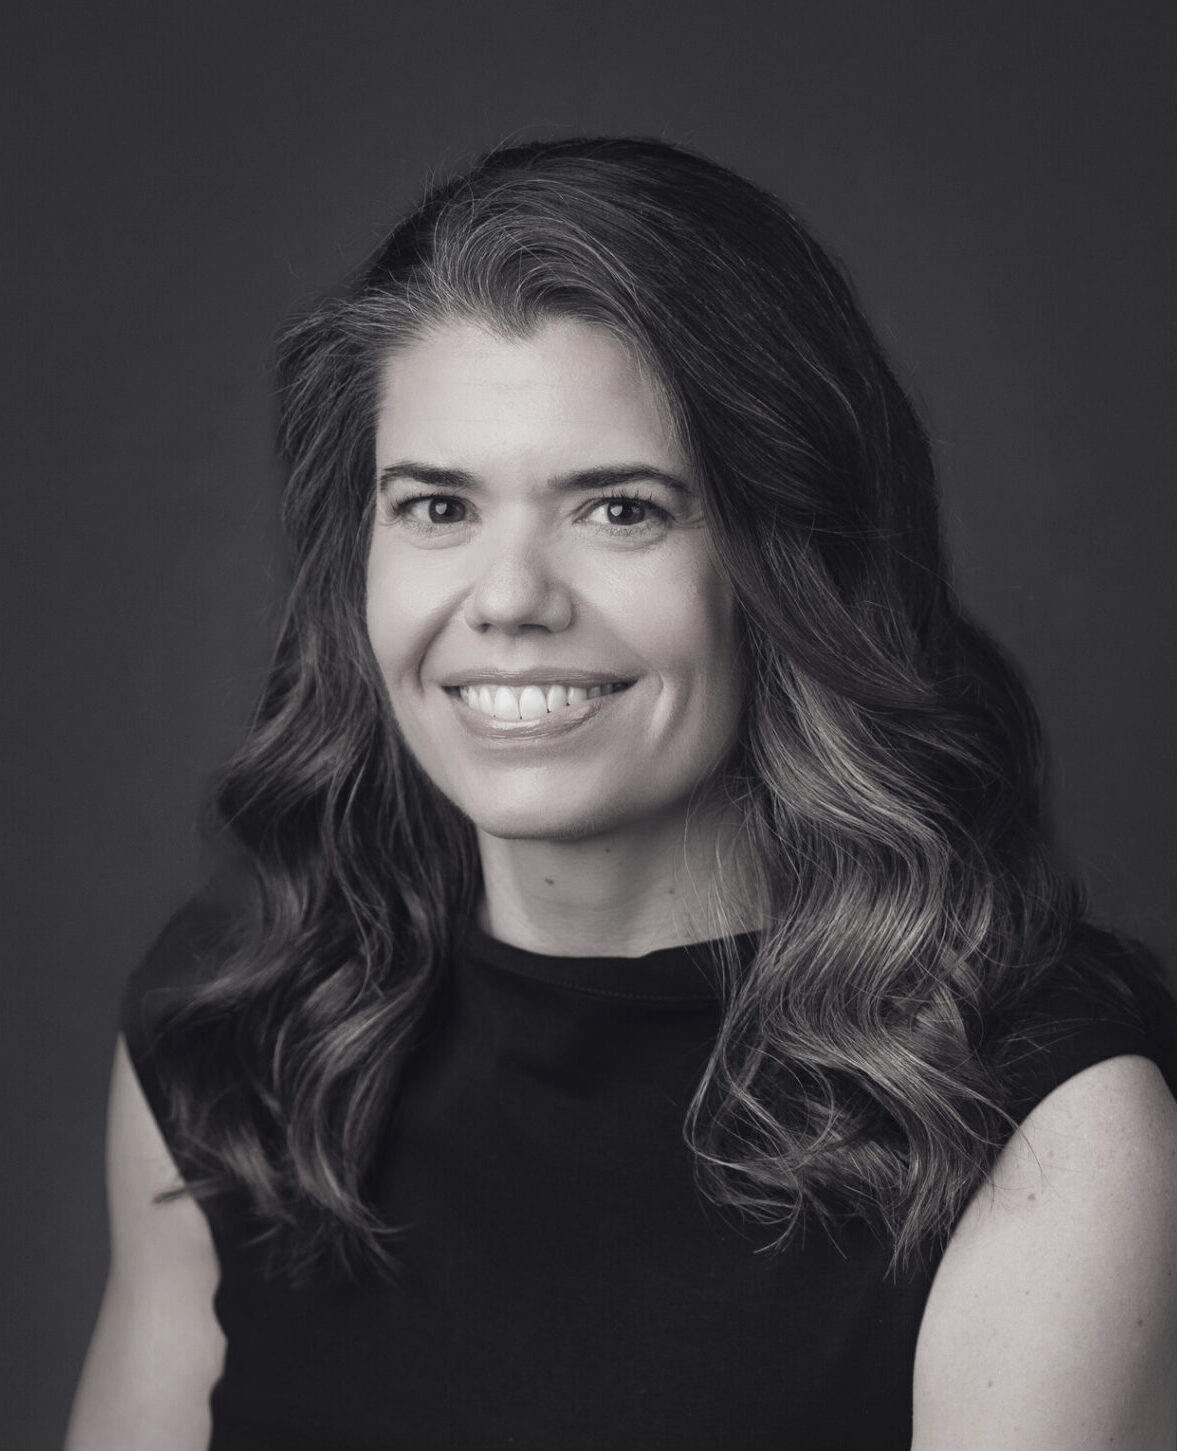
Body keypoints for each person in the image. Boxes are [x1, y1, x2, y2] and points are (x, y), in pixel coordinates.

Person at [67, 136, 1177, 1450]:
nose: (510, 600)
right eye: (436, 508)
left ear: (789, 559)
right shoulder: (234, 1039)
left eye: (620, 510)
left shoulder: (1045, 1126)